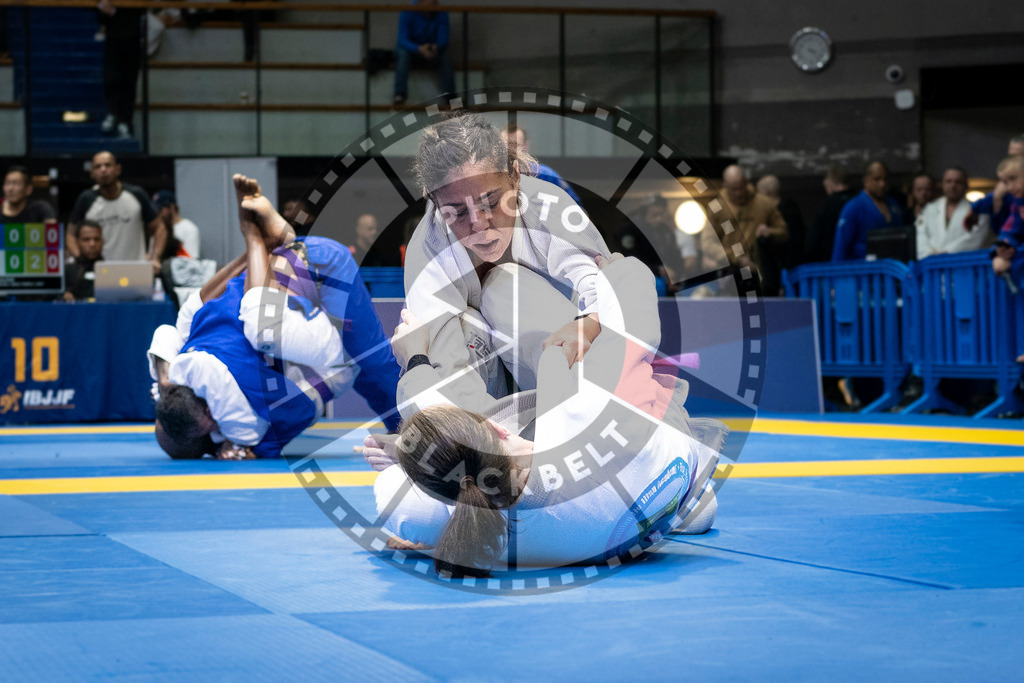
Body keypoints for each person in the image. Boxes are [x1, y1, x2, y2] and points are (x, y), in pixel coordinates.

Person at [370, 254, 726, 575]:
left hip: (636, 516)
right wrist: (619, 272)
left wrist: (416, 363)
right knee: (502, 285)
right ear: (500, 429)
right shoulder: (596, 412)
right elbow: (637, 324)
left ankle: (685, 508)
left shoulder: (484, 538)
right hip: (661, 458)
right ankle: (688, 500)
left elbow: (405, 478)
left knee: (405, 504)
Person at [149, 175, 402, 459]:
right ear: (210, 424)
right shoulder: (247, 414)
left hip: (305, 268)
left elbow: (167, 333)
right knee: (363, 361)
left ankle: (262, 242)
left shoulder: (188, 363)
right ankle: (406, 428)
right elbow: (296, 415)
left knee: (200, 317)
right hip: (303, 284)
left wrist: (165, 382)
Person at [403, 111, 611, 416]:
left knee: (505, 285)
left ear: (515, 174)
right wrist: (490, 442)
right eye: (458, 212)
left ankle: (578, 416)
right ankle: (493, 438)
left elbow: (613, 298)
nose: (480, 224)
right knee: (428, 352)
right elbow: (442, 367)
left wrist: (590, 323)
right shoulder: (428, 253)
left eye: (491, 202)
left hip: (571, 376)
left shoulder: (551, 211)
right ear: (433, 199)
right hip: (491, 402)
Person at [700, 165, 788, 295]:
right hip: (731, 274)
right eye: (733, 189)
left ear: (746, 182)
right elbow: (707, 243)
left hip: (762, 273)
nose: (739, 193)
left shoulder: (764, 204)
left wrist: (769, 232)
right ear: (725, 186)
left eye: (741, 187)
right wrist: (737, 259)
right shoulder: (716, 207)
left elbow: (783, 232)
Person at [68, 151, 165, 269]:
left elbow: (160, 228)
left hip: (135, 270)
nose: (103, 170)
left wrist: (155, 258)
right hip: (100, 272)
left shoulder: (136, 194)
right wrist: (81, 260)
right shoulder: (86, 199)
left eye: (107, 165)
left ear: (118, 169)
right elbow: (70, 235)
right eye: (98, 167)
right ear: (92, 173)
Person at [613, 194, 690, 295]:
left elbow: (675, 257)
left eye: (661, 215)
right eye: (654, 215)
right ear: (644, 214)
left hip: (668, 287)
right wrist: (658, 270)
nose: (659, 219)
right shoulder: (630, 231)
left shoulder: (665, 232)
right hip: (640, 287)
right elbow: (629, 260)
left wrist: (676, 275)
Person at [831, 161, 904, 261]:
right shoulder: (854, 207)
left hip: (890, 268)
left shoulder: (894, 205)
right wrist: (837, 273)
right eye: (876, 179)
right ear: (865, 180)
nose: (882, 184)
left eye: (885, 179)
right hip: (862, 270)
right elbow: (840, 247)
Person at [916, 167, 992, 260]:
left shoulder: (978, 211)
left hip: (963, 264)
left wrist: (946, 253)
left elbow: (976, 239)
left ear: (966, 185)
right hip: (931, 265)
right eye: (948, 181)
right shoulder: (929, 208)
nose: (953, 186)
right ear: (943, 184)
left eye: (958, 182)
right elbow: (922, 235)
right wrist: (928, 255)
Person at [392, 0, 456, 106]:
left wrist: (436, 47)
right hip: (411, 51)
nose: (433, 5)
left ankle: (450, 97)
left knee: (445, 57)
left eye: (434, 3)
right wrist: (419, 49)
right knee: (403, 55)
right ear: (420, 3)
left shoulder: (440, 12)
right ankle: (399, 94)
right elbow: (402, 40)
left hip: (431, 50)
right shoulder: (408, 11)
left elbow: (443, 37)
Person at [97, 0, 144, 139]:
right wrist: (104, 9)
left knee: (129, 81)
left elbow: (139, 10)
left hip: (132, 38)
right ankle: (112, 113)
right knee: (110, 77)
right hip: (113, 38)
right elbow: (101, 15)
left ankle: (125, 121)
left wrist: (116, 11)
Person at [503, 125, 582, 205]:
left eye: (515, 145)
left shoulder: (545, 175)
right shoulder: (493, 175)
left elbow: (573, 206)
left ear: (526, 145)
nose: (509, 150)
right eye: (505, 145)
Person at [964, 136, 1024, 234]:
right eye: (1009, 156)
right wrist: (975, 208)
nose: (1010, 162)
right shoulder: (1010, 189)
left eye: (1015, 157)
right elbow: (1005, 230)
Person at [805, 165, 856, 264]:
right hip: (859, 263)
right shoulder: (858, 202)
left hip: (831, 264)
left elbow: (812, 241)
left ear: (831, 184)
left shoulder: (828, 207)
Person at [756, 174, 806, 273]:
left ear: (768, 193)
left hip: (788, 268)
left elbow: (793, 243)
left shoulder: (787, 212)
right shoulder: (787, 210)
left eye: (759, 194)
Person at [990, 155, 1024, 282]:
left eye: (1013, 178)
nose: (1009, 187)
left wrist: (1013, 263)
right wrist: (1000, 251)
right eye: (1005, 182)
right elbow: (1009, 232)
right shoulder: (1018, 205)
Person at [63, 221, 104, 302]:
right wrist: (65, 296)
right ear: (77, 242)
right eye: (86, 239)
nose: (92, 244)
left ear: (102, 241)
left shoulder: (112, 270)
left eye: (96, 239)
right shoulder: (67, 271)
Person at [153, 190, 200, 259]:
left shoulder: (189, 228)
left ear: (172, 207)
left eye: (160, 209)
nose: (158, 213)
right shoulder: (159, 229)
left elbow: (191, 261)